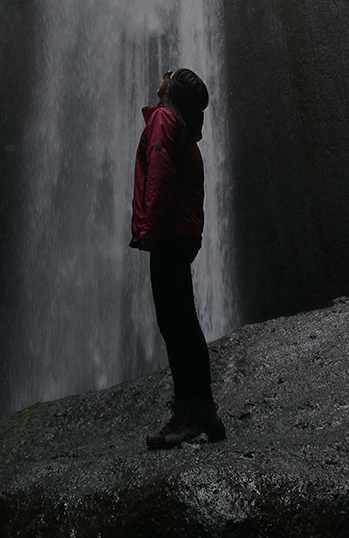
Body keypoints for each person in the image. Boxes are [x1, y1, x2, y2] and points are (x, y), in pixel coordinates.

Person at [130, 67, 226, 449]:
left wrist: (149, 231)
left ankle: (189, 414)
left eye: (169, 75)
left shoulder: (165, 120)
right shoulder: (182, 130)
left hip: (168, 234)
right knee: (184, 321)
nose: (162, 74)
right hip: (182, 234)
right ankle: (203, 411)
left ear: (172, 93)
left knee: (175, 324)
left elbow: (160, 176)